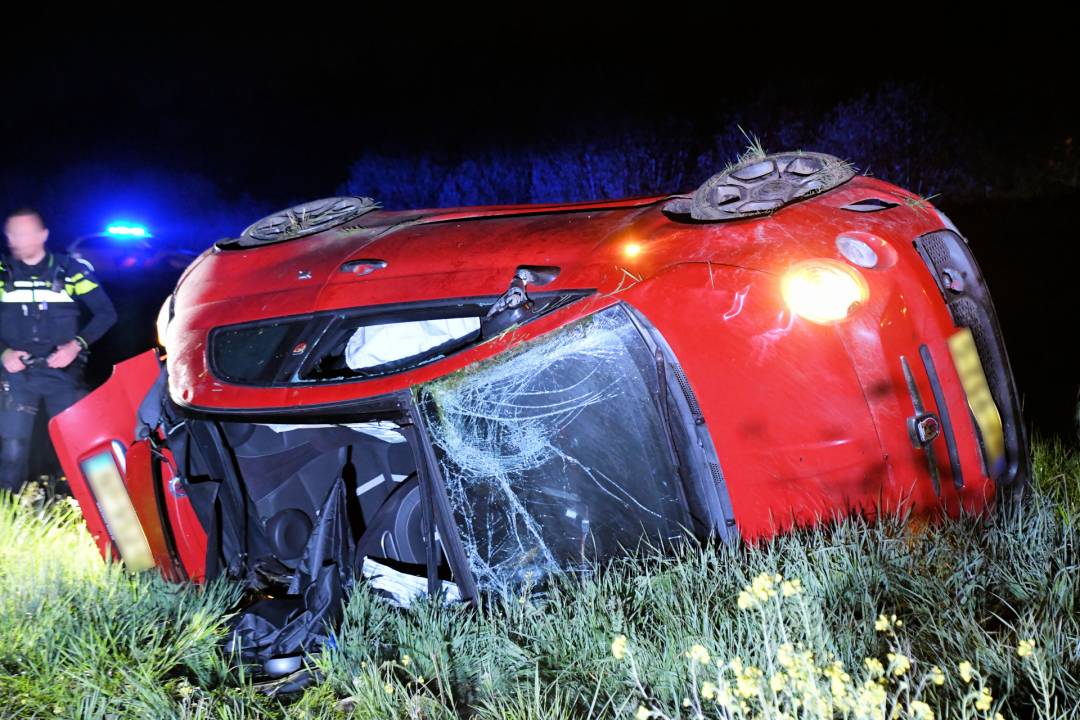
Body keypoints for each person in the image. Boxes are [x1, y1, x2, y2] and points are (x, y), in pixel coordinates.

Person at [0, 208, 117, 493]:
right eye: (14, 233)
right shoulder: (2, 272)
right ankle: (7, 519)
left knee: (80, 444)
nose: (20, 238)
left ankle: (90, 512)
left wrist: (76, 346)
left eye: (27, 232)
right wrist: (3, 354)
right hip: (16, 374)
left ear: (43, 235)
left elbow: (106, 313)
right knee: (12, 449)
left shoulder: (71, 270)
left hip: (62, 371)